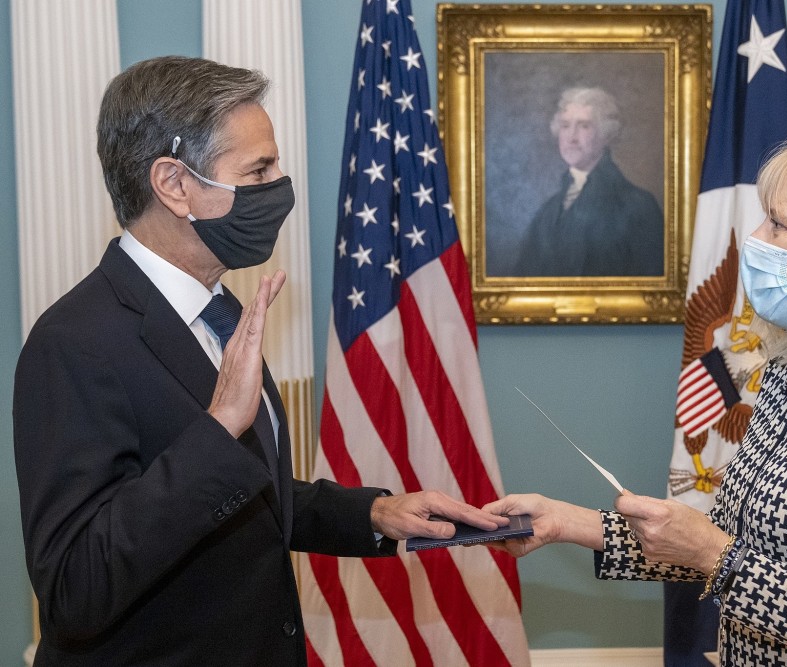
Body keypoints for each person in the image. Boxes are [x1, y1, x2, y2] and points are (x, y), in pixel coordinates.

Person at [12, 56, 507, 667]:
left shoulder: (220, 310)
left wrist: (373, 513)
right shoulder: (73, 341)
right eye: (259, 169)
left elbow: (249, 497)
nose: (281, 186)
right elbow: (75, 588)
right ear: (174, 183)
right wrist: (220, 428)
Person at [487, 141, 787, 665]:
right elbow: (725, 543)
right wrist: (564, 523)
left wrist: (712, 553)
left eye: (778, 224)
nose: (754, 239)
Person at [511, 87, 664, 277]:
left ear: (605, 134)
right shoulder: (548, 212)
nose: (571, 137)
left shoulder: (638, 206)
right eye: (565, 126)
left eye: (584, 126)